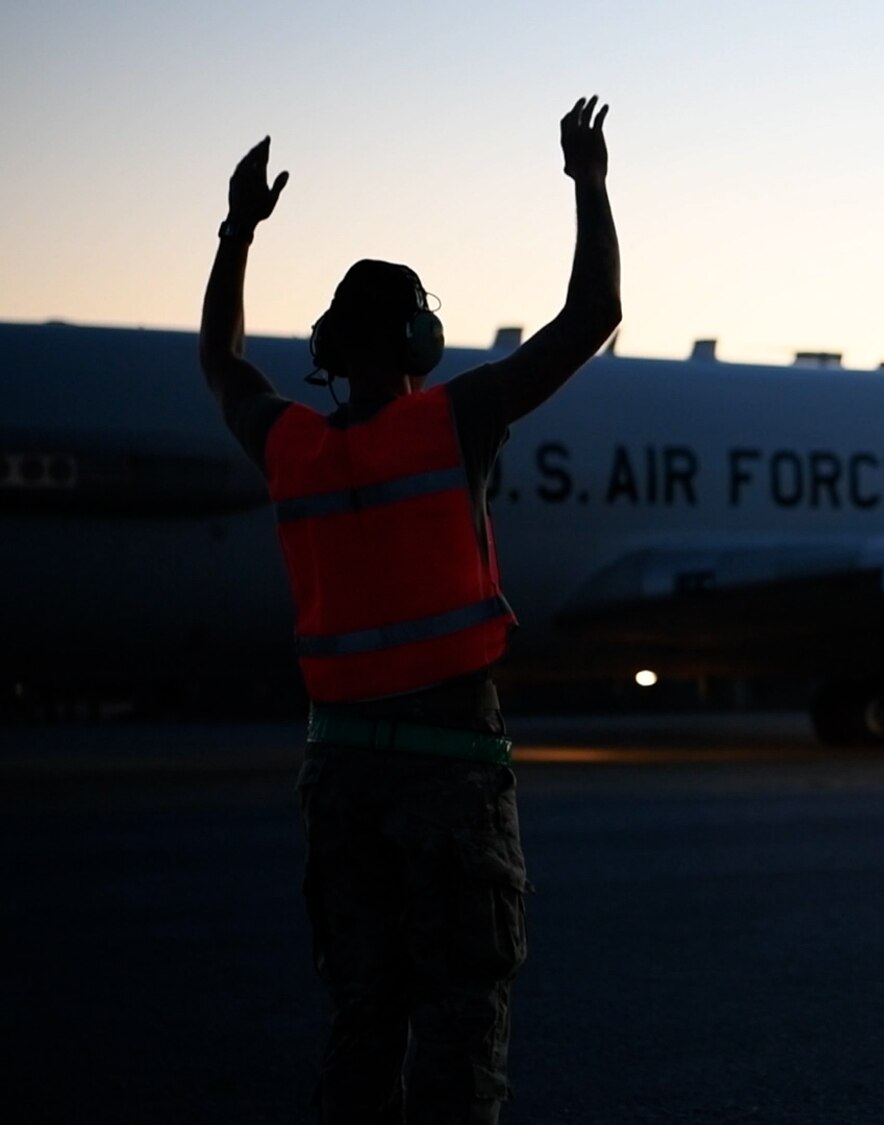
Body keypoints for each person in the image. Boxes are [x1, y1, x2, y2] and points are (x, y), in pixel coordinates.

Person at [197, 97, 621, 1123]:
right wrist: (588, 181)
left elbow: (221, 361)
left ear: (332, 349)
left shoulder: (290, 445)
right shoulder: (452, 421)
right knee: (461, 1012)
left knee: (364, 1008)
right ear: (422, 339)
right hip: (449, 767)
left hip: (336, 769)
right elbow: (591, 317)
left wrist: (237, 233)